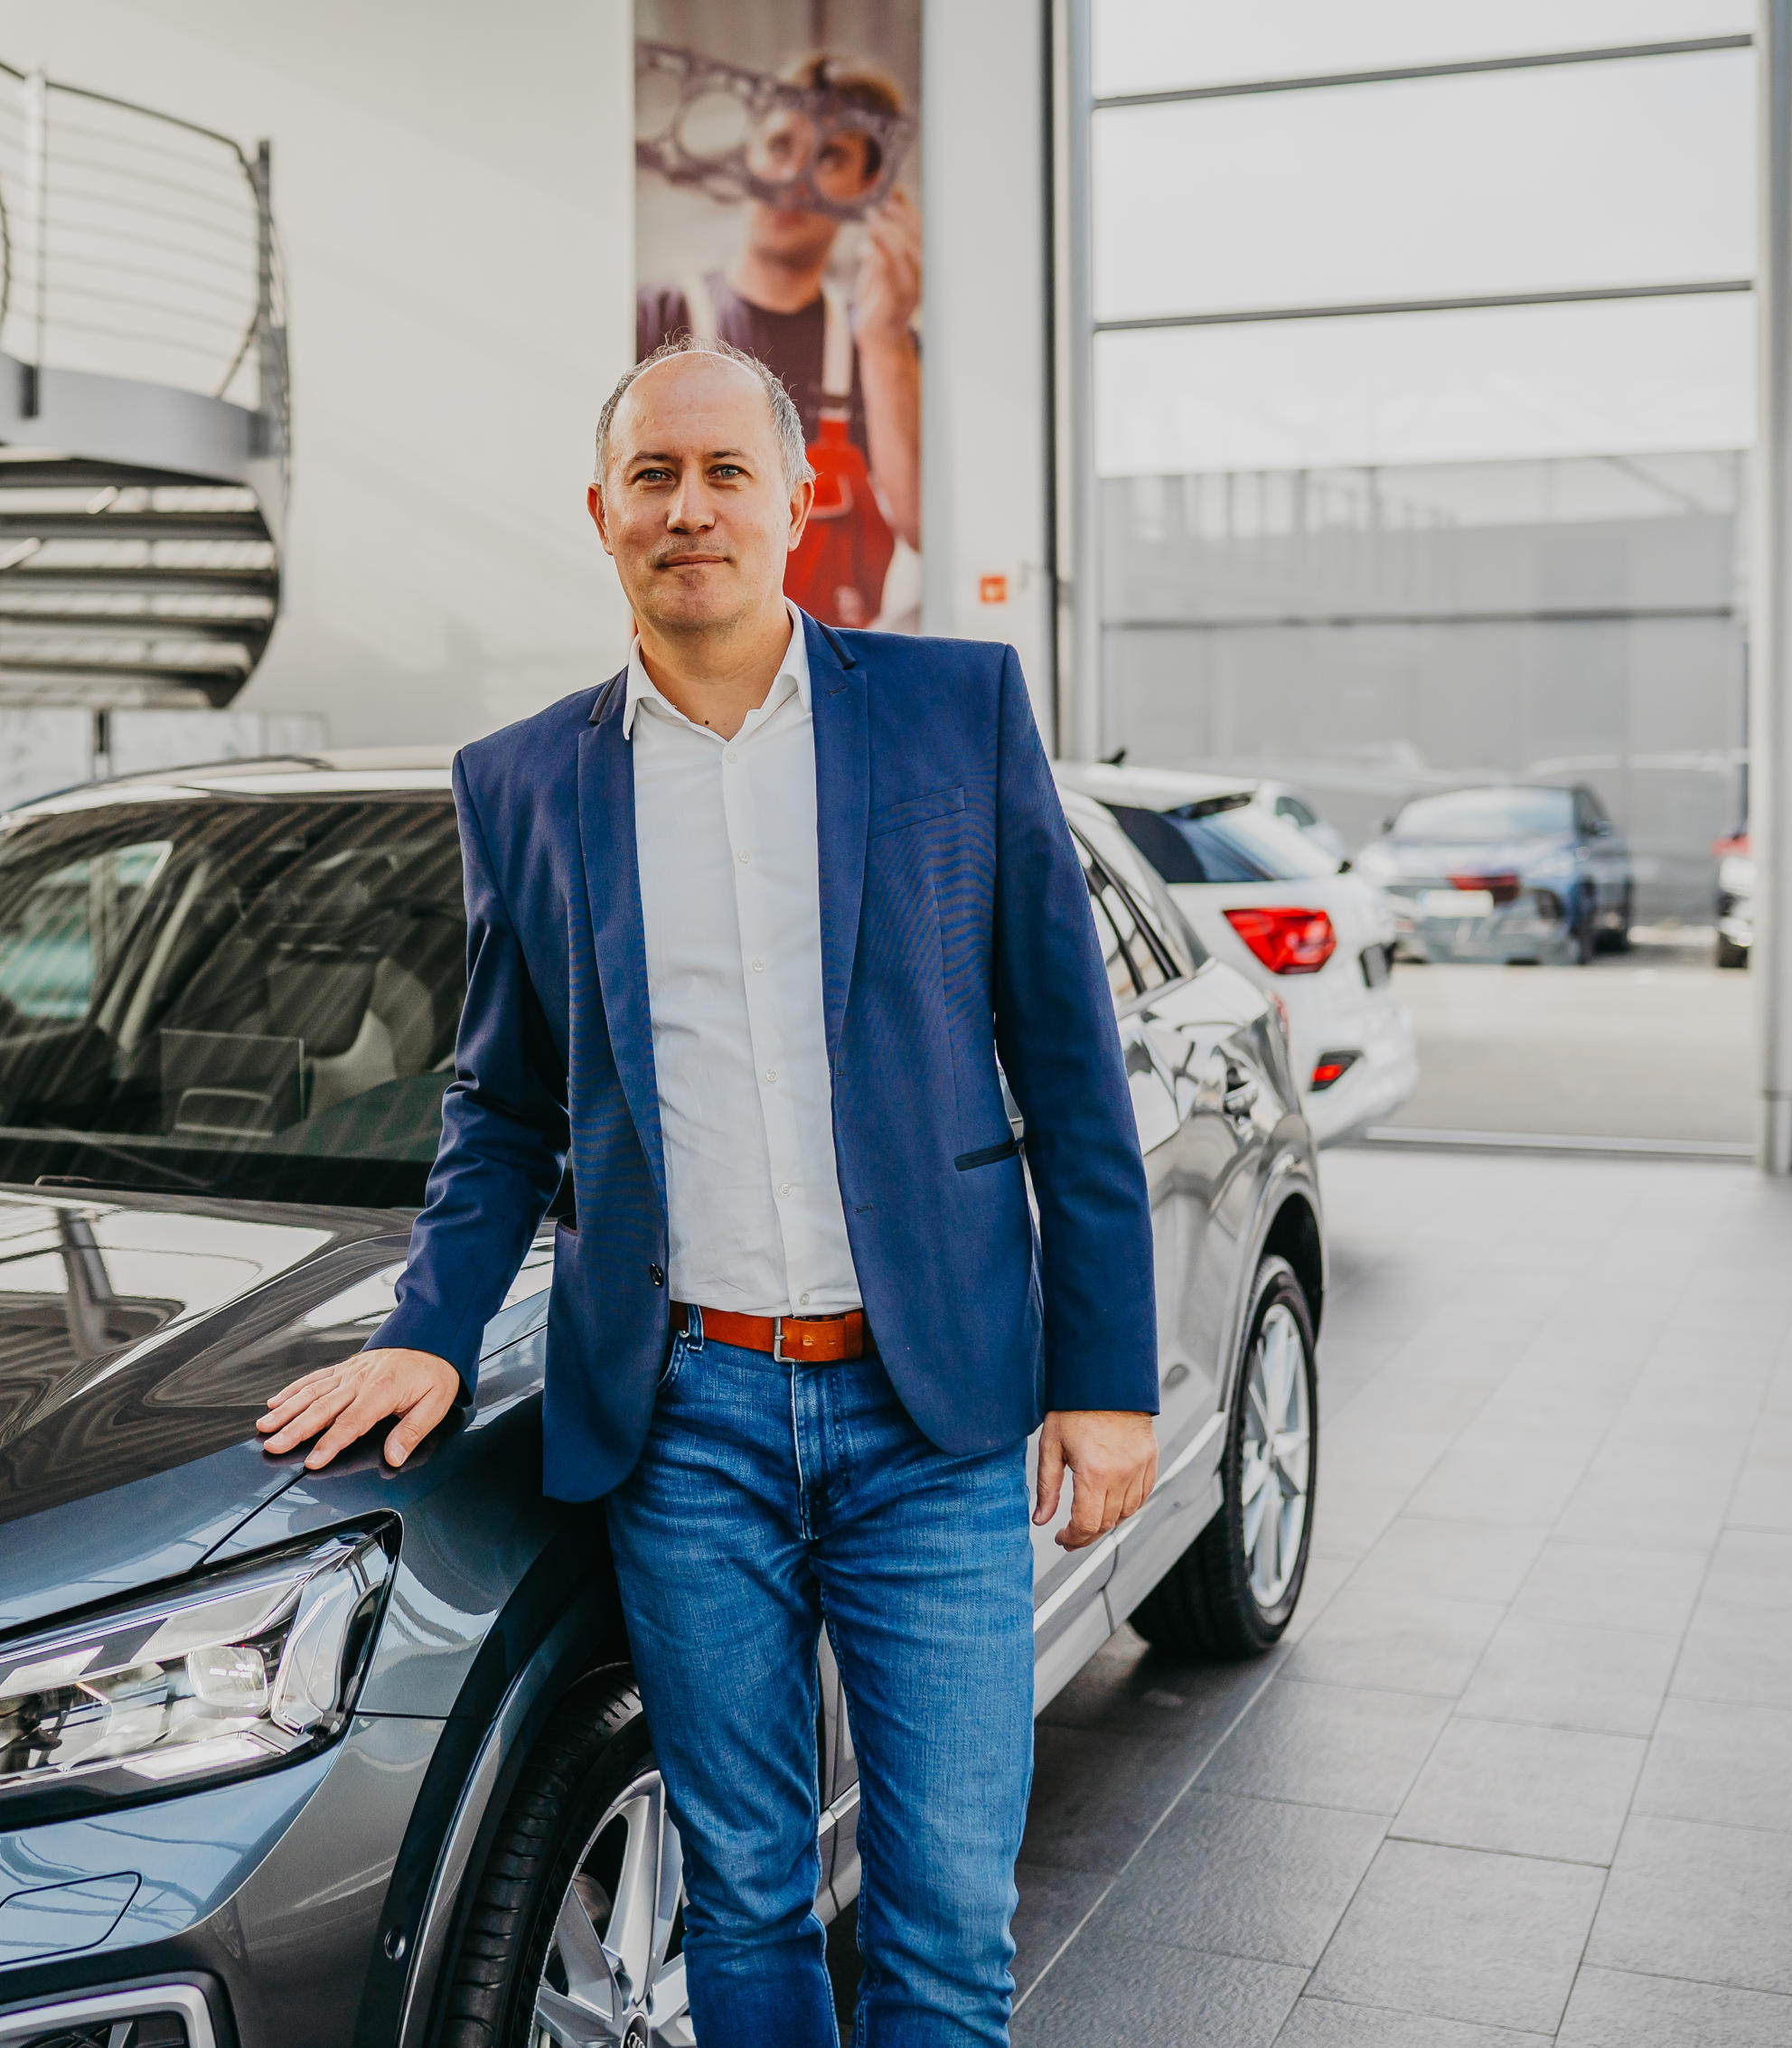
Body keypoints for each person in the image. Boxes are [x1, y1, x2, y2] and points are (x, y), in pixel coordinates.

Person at [257, 341, 1159, 2046]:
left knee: (945, 1916)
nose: (691, 508)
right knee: (743, 1892)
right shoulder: (523, 779)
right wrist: (429, 1329)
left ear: (799, 501)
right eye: (654, 477)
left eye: (727, 472)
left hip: (935, 1412)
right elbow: (501, 1106)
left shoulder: (954, 712)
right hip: (686, 1425)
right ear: (601, 512)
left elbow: (1068, 1064)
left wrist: (1104, 1376)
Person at [638, 51, 922, 629]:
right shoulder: (653, 319)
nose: (794, 179)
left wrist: (885, 341)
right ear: (749, 154)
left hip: (829, 672)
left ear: (867, 188)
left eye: (829, 157)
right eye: (780, 146)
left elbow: (925, 526)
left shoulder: (881, 344)